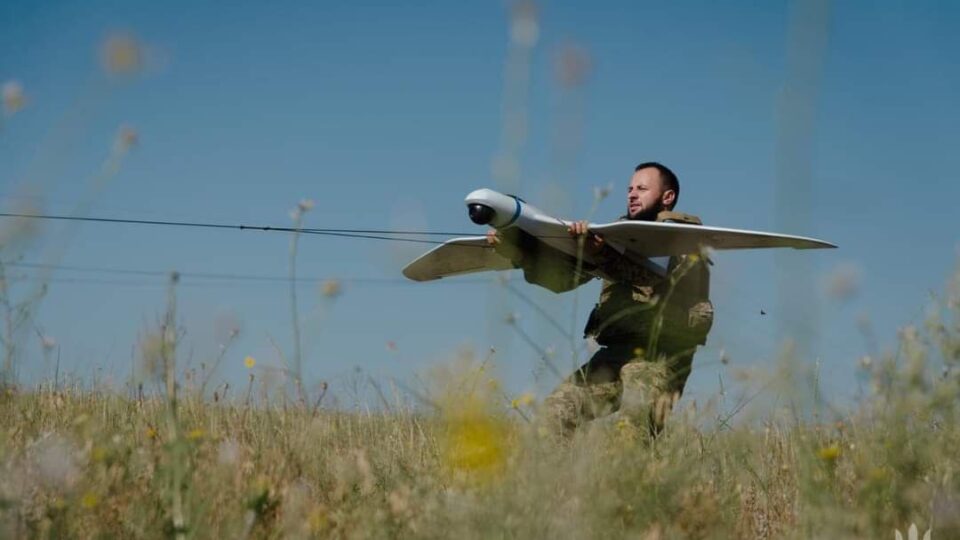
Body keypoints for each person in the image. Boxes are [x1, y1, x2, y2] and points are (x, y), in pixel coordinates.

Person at [486, 162, 714, 436]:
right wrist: (518, 252)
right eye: (630, 189)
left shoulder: (682, 237)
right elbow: (562, 282)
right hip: (615, 354)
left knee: (632, 433)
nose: (632, 194)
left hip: (660, 357)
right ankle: (560, 480)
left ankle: (637, 480)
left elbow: (651, 276)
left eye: (642, 188)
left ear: (667, 197)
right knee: (553, 417)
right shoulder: (615, 237)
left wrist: (603, 252)